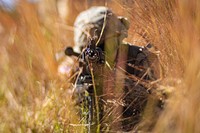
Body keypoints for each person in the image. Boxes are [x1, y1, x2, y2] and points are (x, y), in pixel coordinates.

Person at [65, 6, 161, 132]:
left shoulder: (139, 58)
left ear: (118, 41)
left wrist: (113, 80)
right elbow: (74, 100)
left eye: (103, 47)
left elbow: (153, 104)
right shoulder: (82, 66)